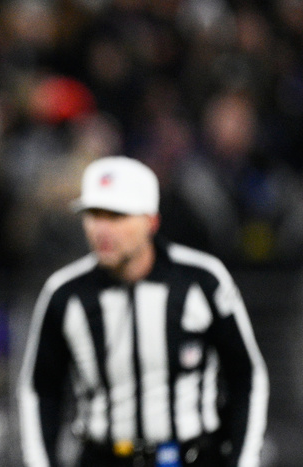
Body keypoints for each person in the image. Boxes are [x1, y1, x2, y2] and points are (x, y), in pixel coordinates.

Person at [17, 156, 268, 467]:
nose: (101, 229)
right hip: (103, 458)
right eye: (93, 214)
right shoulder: (65, 293)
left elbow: (247, 376)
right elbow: (40, 389)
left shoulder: (202, 280)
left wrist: (244, 461)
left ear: (151, 221)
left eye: (117, 215)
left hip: (191, 457)